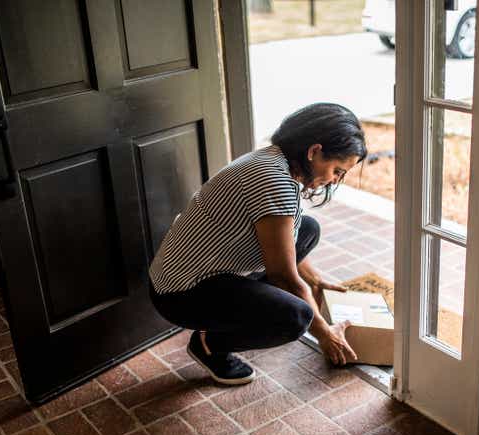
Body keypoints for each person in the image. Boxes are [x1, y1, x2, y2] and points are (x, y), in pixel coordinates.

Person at [148, 103, 367, 385]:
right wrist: (325, 333)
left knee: (308, 229)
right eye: (337, 170)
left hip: (195, 271)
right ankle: (209, 344)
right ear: (314, 152)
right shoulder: (274, 182)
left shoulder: (273, 159)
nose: (334, 180)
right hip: (179, 294)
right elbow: (283, 276)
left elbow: (285, 245)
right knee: (296, 318)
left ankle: (257, 307)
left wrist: (315, 279)